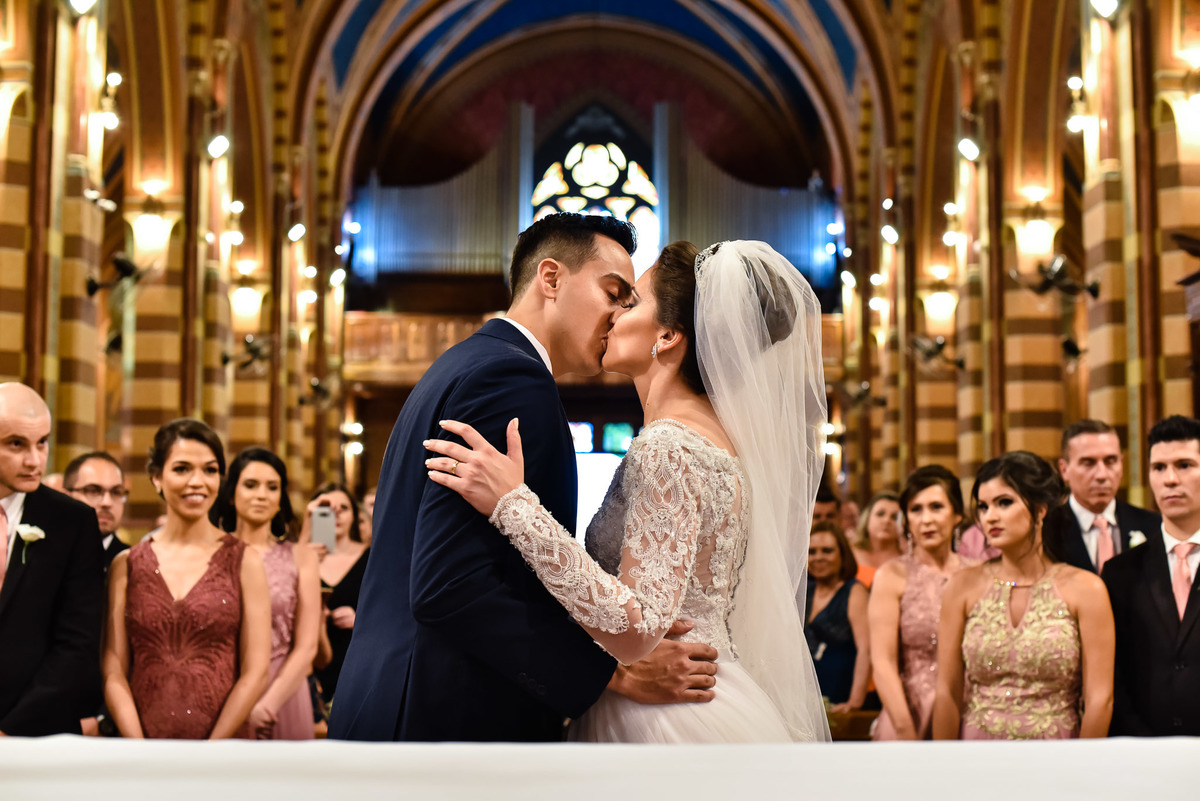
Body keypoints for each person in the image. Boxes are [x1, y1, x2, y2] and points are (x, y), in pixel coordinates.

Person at [331, 217, 726, 742]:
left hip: (409, 699)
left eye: (630, 302)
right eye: (613, 293)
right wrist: (609, 672)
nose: (617, 315)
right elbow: (451, 583)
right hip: (446, 716)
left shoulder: (468, 364)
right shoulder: (509, 381)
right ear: (551, 278)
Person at [424, 239, 830, 742]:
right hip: (713, 689)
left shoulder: (667, 447)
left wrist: (515, 505)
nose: (614, 315)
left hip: (666, 711)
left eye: (631, 301)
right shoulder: (718, 441)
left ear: (668, 335)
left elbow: (639, 626)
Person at [102, 418, 271, 739]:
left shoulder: (244, 560)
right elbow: (114, 671)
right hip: (141, 746)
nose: (198, 481)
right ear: (156, 478)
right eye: (182, 469)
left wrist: (210, 749)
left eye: (209, 470)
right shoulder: (128, 564)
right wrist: (139, 747)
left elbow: (256, 670)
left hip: (223, 746)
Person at [933, 451, 1114, 740]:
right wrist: (942, 767)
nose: (990, 516)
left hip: (1056, 753)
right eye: (983, 506)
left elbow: (1099, 700)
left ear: (1041, 509)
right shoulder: (962, 587)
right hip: (978, 751)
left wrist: (1083, 771)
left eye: (1004, 503)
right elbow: (946, 694)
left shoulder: (1086, 589)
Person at [0, 383, 104, 736]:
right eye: (16, 444)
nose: (35, 460)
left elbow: (77, 643)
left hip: (37, 731)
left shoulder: (72, 522)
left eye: (42, 442)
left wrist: (11, 730)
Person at [1103, 415, 1200, 735]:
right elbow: (1115, 672)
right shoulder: (1121, 572)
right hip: (1142, 746)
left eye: (1184, 465)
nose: (1170, 479)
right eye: (1159, 468)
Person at [213, 447, 319, 739]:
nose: (262, 495)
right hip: (222, 685)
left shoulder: (301, 557)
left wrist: (267, 705)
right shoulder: (212, 554)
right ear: (232, 492)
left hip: (282, 689)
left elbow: (307, 646)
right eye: (251, 485)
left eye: (272, 487)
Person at [870, 466, 973, 740]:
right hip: (909, 712)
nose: (926, 519)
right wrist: (906, 732)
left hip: (971, 711)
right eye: (916, 509)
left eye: (936, 507)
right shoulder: (891, 576)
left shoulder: (978, 574)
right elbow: (883, 663)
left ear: (957, 514)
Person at [1045, 419, 1160, 573]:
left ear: (1122, 463)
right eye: (1088, 463)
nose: (1102, 474)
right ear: (1064, 469)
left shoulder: (1153, 526)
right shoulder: (1046, 530)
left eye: (1110, 461)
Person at [301, 482, 368, 706]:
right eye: (327, 508)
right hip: (309, 664)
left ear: (355, 516)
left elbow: (393, 614)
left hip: (356, 660)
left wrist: (360, 620)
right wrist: (302, 557)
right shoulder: (302, 556)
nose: (336, 513)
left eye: (344, 508)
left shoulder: (371, 558)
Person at [803, 521, 870, 714]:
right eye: (812, 551)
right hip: (806, 697)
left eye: (827, 550)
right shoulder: (805, 591)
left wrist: (855, 703)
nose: (818, 558)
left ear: (843, 554)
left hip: (840, 697)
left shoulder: (854, 591)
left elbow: (866, 650)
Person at [63, 451, 130, 569]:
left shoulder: (132, 562)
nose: (107, 502)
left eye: (116, 492)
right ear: (67, 496)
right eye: (93, 491)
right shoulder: (44, 556)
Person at [852, 491, 903, 587]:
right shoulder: (850, 555)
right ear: (867, 518)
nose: (886, 520)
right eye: (880, 514)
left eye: (894, 517)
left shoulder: (908, 559)